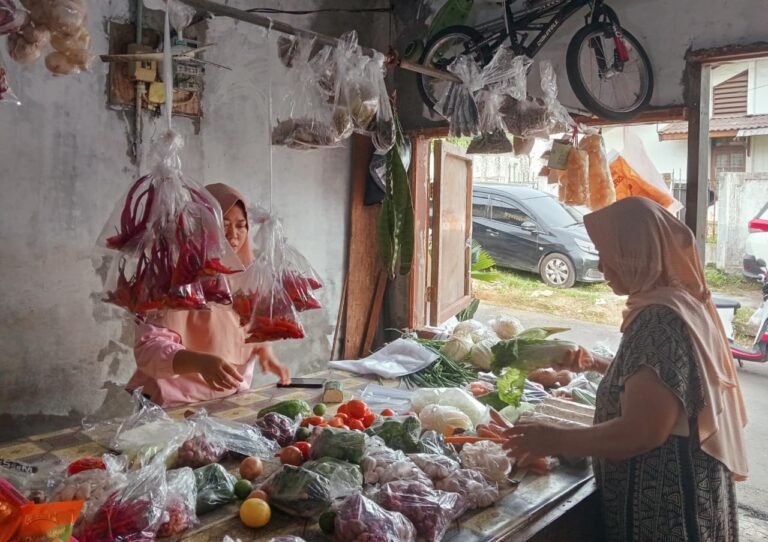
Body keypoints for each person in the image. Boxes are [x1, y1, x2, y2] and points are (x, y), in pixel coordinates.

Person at [503, 197, 748, 541]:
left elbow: (642, 431)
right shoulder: (678, 301)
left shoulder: (659, 321)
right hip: (686, 493)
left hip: (665, 508)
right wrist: (599, 363)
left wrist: (553, 438)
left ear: (637, 254)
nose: (602, 267)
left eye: (609, 254)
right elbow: (664, 382)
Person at [126, 183, 291, 406]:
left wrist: (264, 352)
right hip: (170, 406)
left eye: (241, 226)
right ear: (203, 226)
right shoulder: (176, 280)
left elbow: (246, 327)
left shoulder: (245, 278)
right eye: (224, 225)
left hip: (225, 400)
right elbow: (148, 349)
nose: (234, 234)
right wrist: (199, 363)